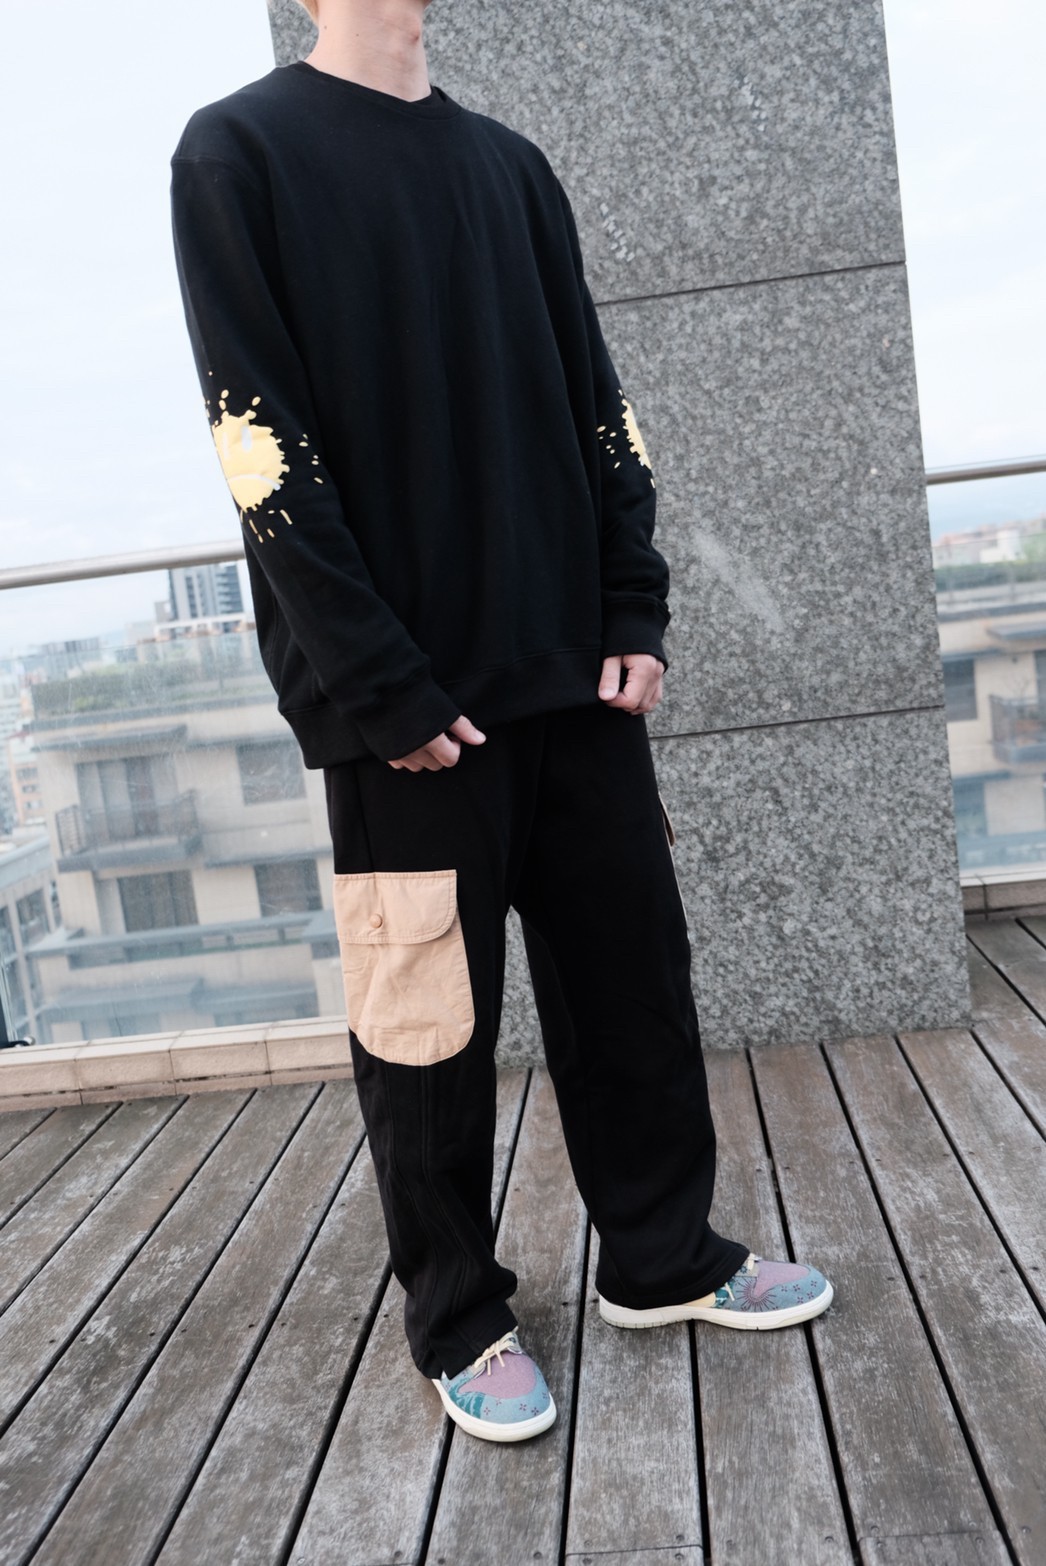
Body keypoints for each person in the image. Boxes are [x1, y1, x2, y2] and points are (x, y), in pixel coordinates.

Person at [170, 0, 833, 1445]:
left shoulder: (511, 166)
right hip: (406, 712)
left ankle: (663, 1257)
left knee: (632, 988)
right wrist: (378, 685)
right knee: (424, 1035)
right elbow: (256, 439)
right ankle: (459, 1317)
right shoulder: (237, 154)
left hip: (575, 677)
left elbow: (600, 402)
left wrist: (632, 606)